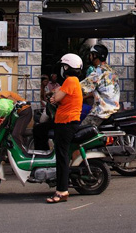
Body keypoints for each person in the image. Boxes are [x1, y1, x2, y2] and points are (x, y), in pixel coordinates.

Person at [47, 53, 84, 204]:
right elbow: (56, 95)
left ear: (67, 67)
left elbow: (56, 98)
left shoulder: (70, 80)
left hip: (67, 124)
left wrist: (55, 97)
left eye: (63, 66)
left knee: (62, 158)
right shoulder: (72, 81)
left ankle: (62, 191)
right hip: (65, 122)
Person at [0, 84, 32, 150]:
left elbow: (14, 103)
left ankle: (22, 152)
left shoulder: (2, 95)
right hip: (18, 114)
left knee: (16, 134)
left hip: (24, 112)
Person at [80, 44, 120, 127]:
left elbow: (80, 88)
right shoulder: (112, 71)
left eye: (91, 55)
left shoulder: (98, 72)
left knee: (80, 132)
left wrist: (61, 91)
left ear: (95, 56)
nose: (89, 57)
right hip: (113, 110)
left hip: (101, 112)